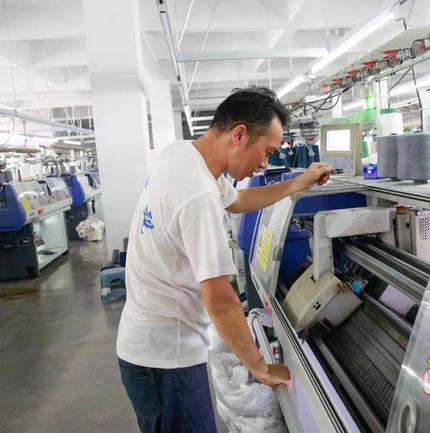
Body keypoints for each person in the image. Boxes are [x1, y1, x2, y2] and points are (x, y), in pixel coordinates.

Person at [116, 86, 335, 433]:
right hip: (167, 357)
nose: (265, 164)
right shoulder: (198, 193)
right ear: (239, 135)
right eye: (267, 152)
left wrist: (297, 184)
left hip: (149, 344)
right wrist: (259, 367)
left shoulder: (182, 155)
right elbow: (220, 300)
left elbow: (238, 201)